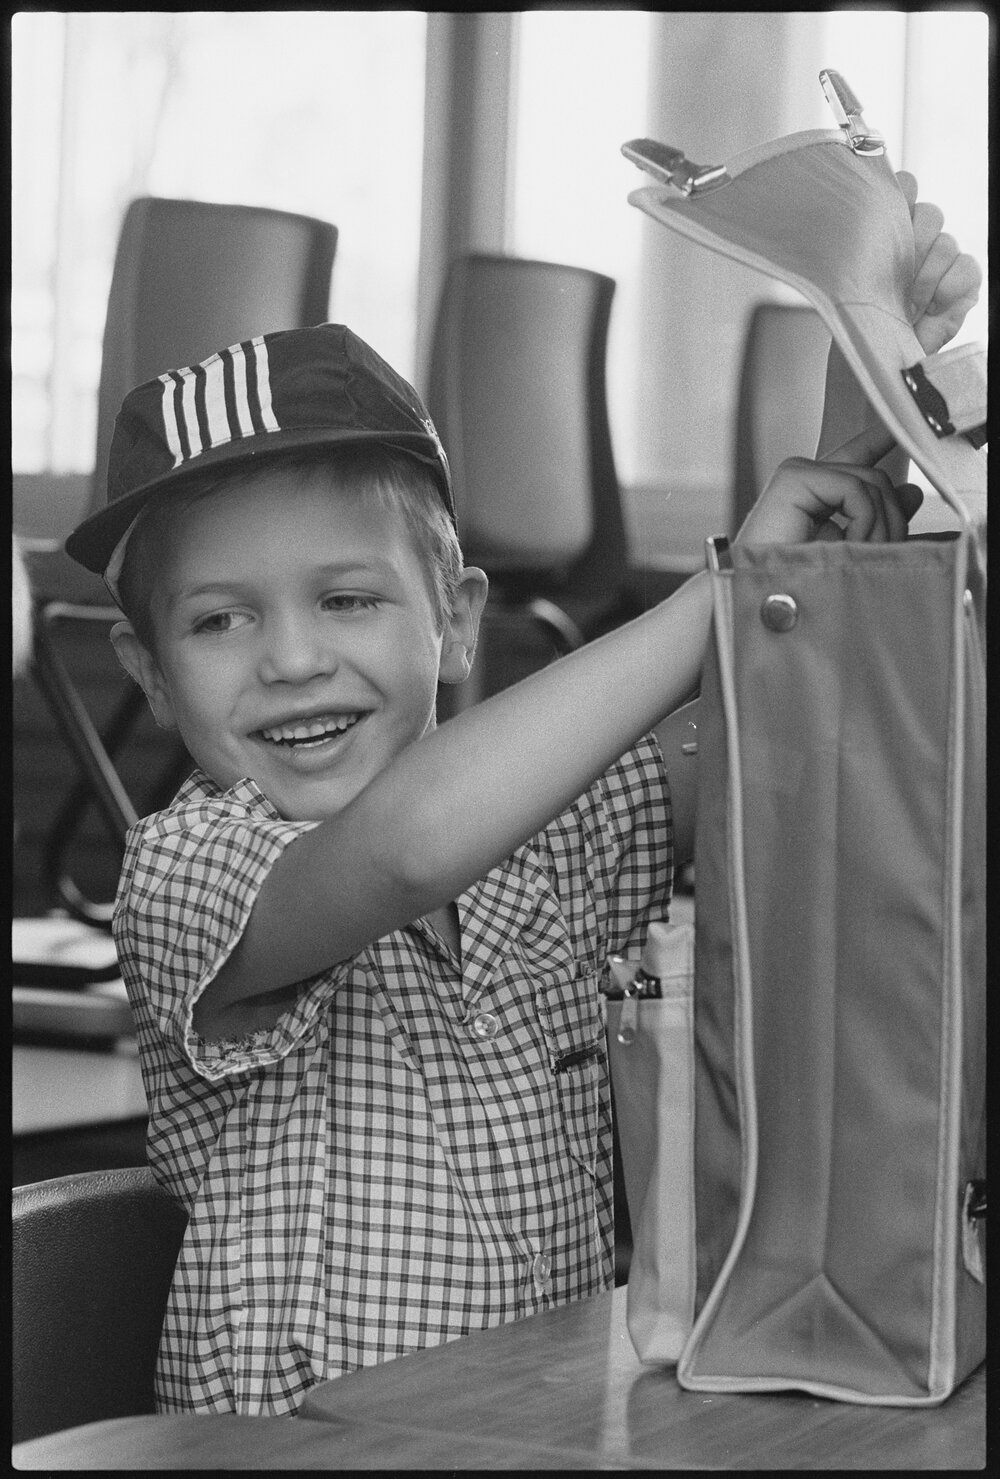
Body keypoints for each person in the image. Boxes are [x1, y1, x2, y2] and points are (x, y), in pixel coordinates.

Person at [63, 175, 979, 1416]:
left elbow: (787, 730)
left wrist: (856, 412)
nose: (290, 659)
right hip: (296, 1462)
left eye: (347, 599)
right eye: (219, 620)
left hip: (536, 1438)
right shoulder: (185, 869)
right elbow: (404, 850)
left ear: (454, 623)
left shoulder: (570, 835)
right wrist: (712, 595)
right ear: (150, 678)